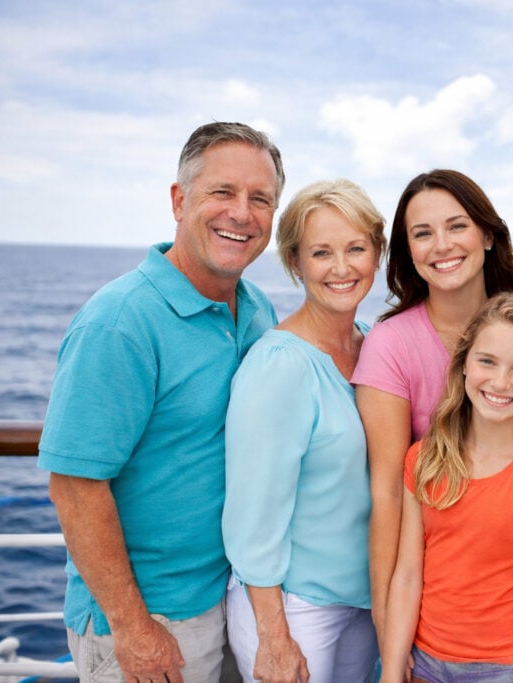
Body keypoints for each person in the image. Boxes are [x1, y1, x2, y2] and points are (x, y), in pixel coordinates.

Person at [38, 122, 285, 681]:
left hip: (231, 595)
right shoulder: (120, 323)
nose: (241, 213)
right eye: (222, 192)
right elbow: (74, 486)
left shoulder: (256, 310)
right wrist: (133, 628)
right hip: (154, 620)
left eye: (260, 198)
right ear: (179, 200)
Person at [350, 169, 513, 650]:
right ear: (408, 251)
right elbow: (387, 491)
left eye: (457, 226)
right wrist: (388, 621)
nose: (442, 245)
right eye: (422, 233)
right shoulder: (391, 345)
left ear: (487, 234)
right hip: (435, 599)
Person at [380, 292, 513, 683]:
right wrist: (391, 672)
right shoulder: (424, 459)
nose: (500, 382)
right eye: (487, 361)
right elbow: (408, 576)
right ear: (463, 364)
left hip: (505, 670)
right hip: (424, 664)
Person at [222, 180, 386, 682]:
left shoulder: (373, 345)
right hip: (294, 609)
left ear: (377, 253)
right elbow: (253, 517)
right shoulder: (279, 365)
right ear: (295, 262)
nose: (341, 268)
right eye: (321, 252)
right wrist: (275, 635)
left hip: (363, 599)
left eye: (356, 248)